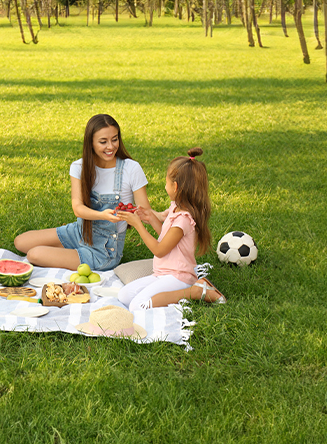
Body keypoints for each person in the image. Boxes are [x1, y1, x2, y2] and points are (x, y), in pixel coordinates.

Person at [14, 114, 150, 270]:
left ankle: (73, 255)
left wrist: (161, 216)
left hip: (104, 251)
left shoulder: (131, 168)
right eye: (103, 142)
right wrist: (101, 215)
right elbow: (77, 208)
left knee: (34, 255)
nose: (111, 147)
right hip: (80, 232)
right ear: (90, 142)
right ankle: (73, 253)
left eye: (114, 139)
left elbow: (143, 211)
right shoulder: (79, 167)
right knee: (20, 242)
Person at [117, 148, 224, 311]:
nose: (165, 185)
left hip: (178, 276)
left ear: (175, 186)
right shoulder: (176, 207)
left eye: (166, 182)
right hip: (163, 273)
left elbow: (160, 250)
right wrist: (151, 218)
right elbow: (168, 240)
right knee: (124, 296)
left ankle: (194, 291)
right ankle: (192, 289)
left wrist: (138, 225)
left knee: (138, 306)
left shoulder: (183, 220)